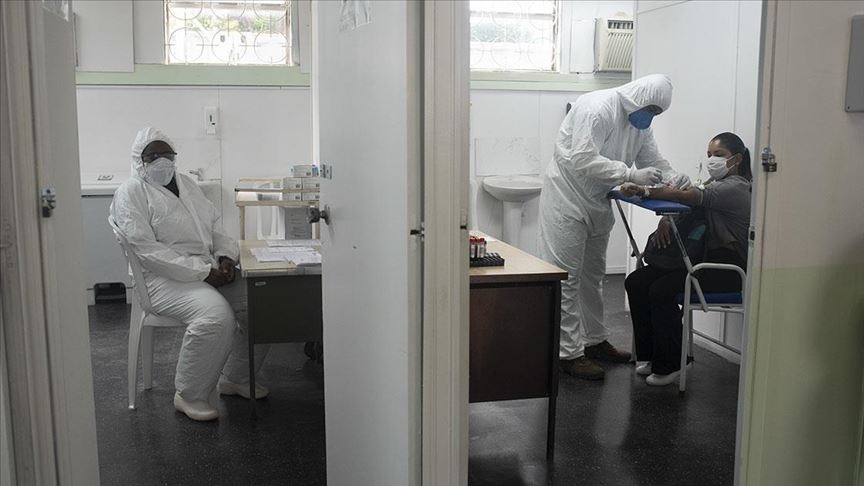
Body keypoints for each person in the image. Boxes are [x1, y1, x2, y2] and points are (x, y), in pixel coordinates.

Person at [111, 127, 269, 421]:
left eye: (167, 155)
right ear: (138, 160)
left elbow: (215, 227)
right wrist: (203, 272)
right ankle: (189, 394)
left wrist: (225, 257)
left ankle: (236, 378)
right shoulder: (130, 193)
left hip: (206, 269)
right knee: (215, 316)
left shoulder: (187, 184)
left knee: (263, 304)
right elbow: (148, 252)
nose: (162, 162)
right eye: (152, 156)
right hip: (160, 280)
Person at [539, 74, 690, 380]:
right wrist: (628, 174)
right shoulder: (598, 108)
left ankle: (594, 341)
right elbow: (582, 158)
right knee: (567, 277)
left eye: (657, 113)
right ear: (637, 97)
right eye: (650, 109)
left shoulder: (640, 125)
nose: (650, 116)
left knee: (593, 276)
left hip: (598, 201)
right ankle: (568, 354)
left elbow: (653, 160)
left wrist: (675, 177)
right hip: (567, 199)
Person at [621, 132, 752, 386]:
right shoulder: (715, 184)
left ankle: (672, 363)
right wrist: (665, 219)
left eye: (719, 155)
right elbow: (690, 199)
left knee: (661, 290)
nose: (712, 160)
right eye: (709, 155)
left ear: (736, 159)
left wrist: (645, 190)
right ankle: (651, 355)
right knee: (637, 281)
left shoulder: (735, 187)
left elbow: (690, 196)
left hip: (726, 269)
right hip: (701, 262)